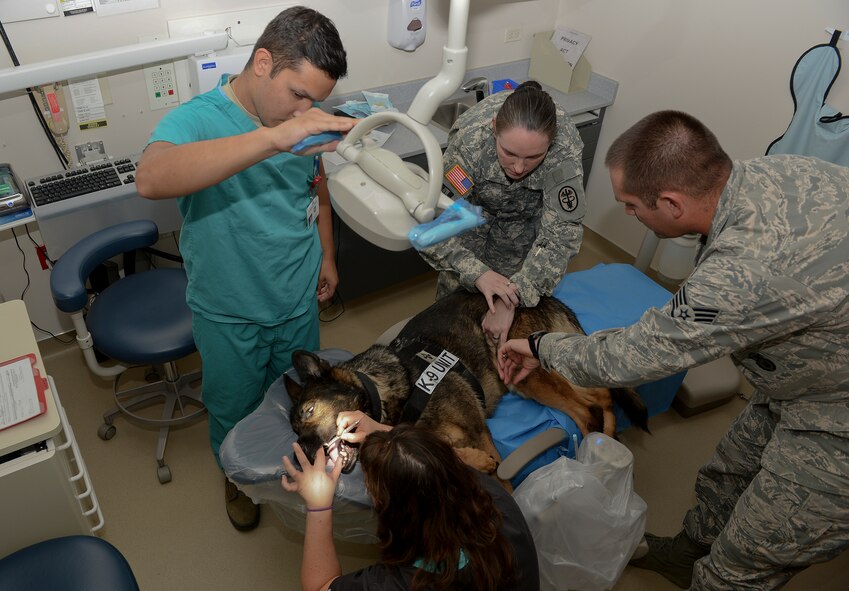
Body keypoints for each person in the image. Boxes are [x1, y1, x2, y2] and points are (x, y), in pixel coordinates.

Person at [496, 110, 849, 590]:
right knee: (729, 471)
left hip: (836, 417)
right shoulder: (786, 171)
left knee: (748, 555)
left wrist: (542, 345)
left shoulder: (742, 270)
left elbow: (635, 355)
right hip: (807, 370)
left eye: (630, 205)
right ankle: (686, 552)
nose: (627, 215)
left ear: (671, 202)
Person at [135, 6, 357, 531]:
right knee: (233, 409)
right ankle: (236, 480)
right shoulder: (197, 120)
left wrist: (326, 256)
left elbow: (316, 190)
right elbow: (151, 177)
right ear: (263, 63)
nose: (304, 110)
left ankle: (291, 472)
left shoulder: (300, 122)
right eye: (298, 94)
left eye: (316, 101)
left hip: (295, 299)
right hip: (230, 312)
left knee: (299, 401)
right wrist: (272, 138)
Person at [281, 412, 540, 591]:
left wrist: (319, 504)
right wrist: (385, 434)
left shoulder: (405, 583)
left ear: (392, 508)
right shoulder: (497, 501)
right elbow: (443, 462)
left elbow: (319, 587)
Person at [418, 80, 586, 346]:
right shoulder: (470, 143)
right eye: (509, 153)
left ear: (550, 144)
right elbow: (430, 223)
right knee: (450, 318)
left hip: (523, 233)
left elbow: (562, 235)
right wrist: (476, 272)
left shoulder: (563, 151)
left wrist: (514, 297)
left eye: (533, 157)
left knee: (511, 329)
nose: (519, 168)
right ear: (494, 127)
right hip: (470, 221)